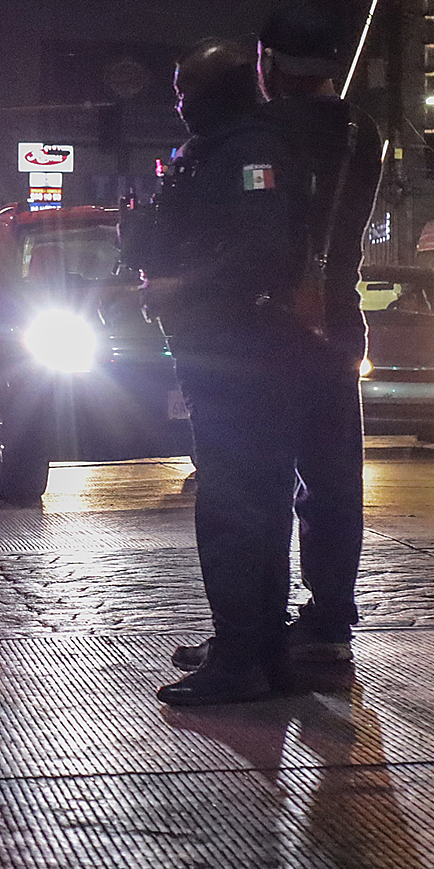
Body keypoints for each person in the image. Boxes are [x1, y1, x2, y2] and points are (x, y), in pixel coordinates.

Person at [171, 15, 382, 674]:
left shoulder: (267, 134)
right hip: (340, 321)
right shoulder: (362, 129)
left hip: (274, 330)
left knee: (255, 486)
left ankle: (253, 633)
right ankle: (327, 623)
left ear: (268, 65)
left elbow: (257, 236)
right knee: (333, 480)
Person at [127, 38, 316, 706]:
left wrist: (183, 287)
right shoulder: (220, 148)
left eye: (186, 90)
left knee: (237, 505)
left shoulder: (248, 150)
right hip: (229, 347)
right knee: (250, 503)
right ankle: (258, 650)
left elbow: (260, 250)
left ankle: (243, 657)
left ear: (217, 90)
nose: (179, 104)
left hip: (244, 349)